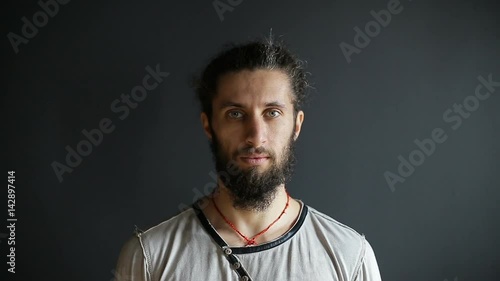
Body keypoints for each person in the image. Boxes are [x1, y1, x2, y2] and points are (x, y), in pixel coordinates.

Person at [114, 36, 382, 281]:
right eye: (235, 114)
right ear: (209, 126)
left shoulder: (349, 256)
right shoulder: (149, 257)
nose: (255, 137)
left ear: (296, 125)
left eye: (272, 113)